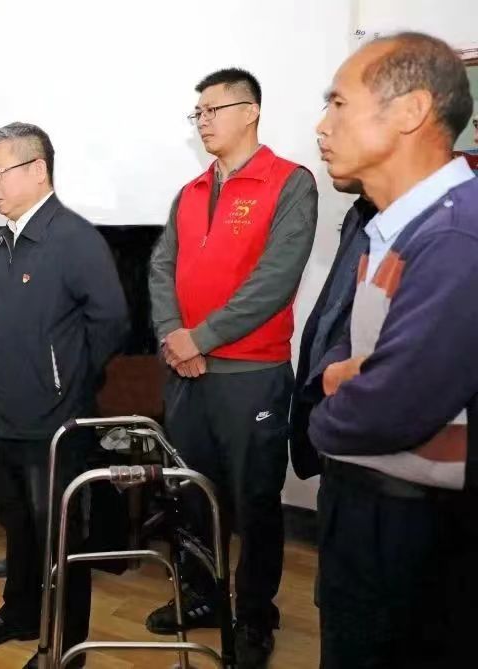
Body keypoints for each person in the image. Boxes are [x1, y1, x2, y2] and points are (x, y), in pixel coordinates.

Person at [311, 31, 478, 668]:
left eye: (338, 103)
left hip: (416, 535)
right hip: (371, 512)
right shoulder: (396, 223)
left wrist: (324, 412)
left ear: (410, 111)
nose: (322, 125)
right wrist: (346, 377)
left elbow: (389, 408)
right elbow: (346, 353)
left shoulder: (455, 235)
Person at [148, 68, 317, 668]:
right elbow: (161, 266)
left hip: (251, 375)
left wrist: (201, 337)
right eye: (197, 112)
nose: (203, 121)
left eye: (212, 109)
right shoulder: (191, 191)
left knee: (255, 501)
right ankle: (201, 594)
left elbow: (275, 281)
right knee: (192, 492)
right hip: (186, 373)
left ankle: (255, 615)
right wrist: (174, 336)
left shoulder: (290, 182)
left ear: (250, 111)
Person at [0, 122, 128, 669]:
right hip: (4, 415)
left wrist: (68, 381)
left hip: (55, 422)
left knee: (61, 538)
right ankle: (20, 614)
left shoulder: (75, 238)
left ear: (37, 170)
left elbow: (112, 321)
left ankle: (66, 647)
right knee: (19, 528)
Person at [289, 179, 377, 479]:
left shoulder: (444, 225)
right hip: (334, 416)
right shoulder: (360, 214)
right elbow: (333, 311)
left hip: (378, 444)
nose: (323, 158)